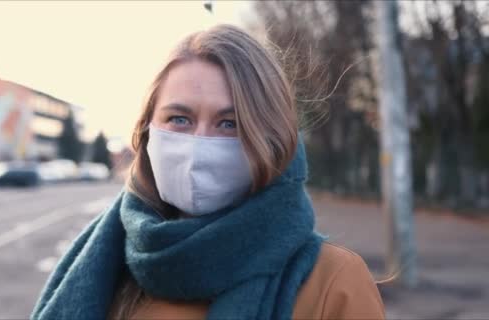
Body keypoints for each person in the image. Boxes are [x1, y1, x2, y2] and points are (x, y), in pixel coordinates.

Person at [31, 24, 385, 320]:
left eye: (229, 123)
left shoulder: (333, 283)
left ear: (272, 139)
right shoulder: (107, 268)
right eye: (179, 119)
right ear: (146, 132)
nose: (199, 144)